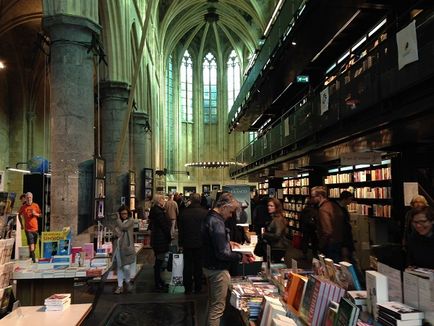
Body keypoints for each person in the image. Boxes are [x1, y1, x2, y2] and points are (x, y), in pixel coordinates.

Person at [201, 192, 254, 326]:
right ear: (224, 207)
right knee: (217, 308)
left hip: (209, 265)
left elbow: (212, 242)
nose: (231, 215)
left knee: (212, 304)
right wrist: (240, 256)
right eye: (230, 211)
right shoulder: (217, 222)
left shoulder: (210, 217)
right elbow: (222, 253)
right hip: (217, 270)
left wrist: (228, 243)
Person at [178, 193, 208, 294]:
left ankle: (188, 288)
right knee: (198, 266)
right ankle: (198, 287)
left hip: (187, 243)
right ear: (200, 200)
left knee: (187, 266)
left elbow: (181, 230)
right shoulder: (205, 213)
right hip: (201, 243)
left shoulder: (184, 213)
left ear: (190, 200)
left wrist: (180, 243)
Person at [310, 186, 344, 262]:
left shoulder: (323, 209)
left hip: (329, 244)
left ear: (320, 196)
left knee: (329, 268)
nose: (312, 199)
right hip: (339, 241)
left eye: (313, 197)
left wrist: (321, 245)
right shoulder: (334, 205)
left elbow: (327, 231)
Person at [149, 194, 171, 291]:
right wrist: (169, 236)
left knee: (159, 261)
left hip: (158, 239)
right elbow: (164, 226)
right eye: (162, 198)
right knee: (159, 262)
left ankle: (159, 281)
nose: (164, 200)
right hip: (160, 239)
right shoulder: (159, 212)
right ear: (158, 201)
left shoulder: (156, 211)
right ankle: (158, 282)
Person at [111, 205, 135, 294]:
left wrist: (117, 221)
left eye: (125, 213)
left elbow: (123, 227)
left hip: (126, 248)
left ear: (128, 213)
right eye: (121, 214)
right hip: (117, 247)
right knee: (119, 267)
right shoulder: (118, 222)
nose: (123, 215)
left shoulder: (131, 221)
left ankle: (128, 281)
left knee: (126, 267)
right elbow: (115, 231)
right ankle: (120, 286)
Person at [262, 197, 290, 264]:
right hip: (277, 247)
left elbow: (277, 235)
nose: (269, 207)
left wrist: (264, 234)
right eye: (268, 205)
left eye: (271, 206)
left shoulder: (277, 219)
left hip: (277, 248)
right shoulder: (275, 218)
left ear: (276, 207)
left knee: (275, 267)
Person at [19, 192, 41, 262]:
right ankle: (33, 259)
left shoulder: (35, 205)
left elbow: (41, 215)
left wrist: (36, 214)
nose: (29, 199)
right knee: (31, 244)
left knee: (34, 244)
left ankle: (31, 255)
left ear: (32, 198)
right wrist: (21, 225)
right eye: (27, 198)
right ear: (25, 198)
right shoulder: (23, 207)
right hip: (28, 229)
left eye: (30, 197)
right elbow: (19, 215)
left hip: (35, 228)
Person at [335, 190, 355, 262]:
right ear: (344, 199)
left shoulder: (343, 208)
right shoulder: (339, 210)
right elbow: (342, 227)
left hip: (346, 238)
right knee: (346, 259)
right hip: (343, 239)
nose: (351, 201)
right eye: (350, 199)